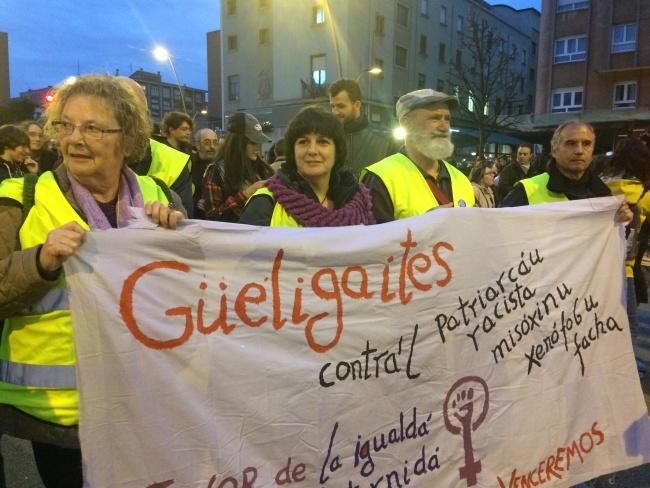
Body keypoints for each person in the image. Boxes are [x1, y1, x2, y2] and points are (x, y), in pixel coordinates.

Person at [0, 74, 185, 488]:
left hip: (146, 402)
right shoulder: (19, 199)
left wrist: (179, 240)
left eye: (93, 128)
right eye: (66, 125)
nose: (75, 139)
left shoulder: (161, 196)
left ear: (128, 138)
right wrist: (40, 261)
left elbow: (191, 295)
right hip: (62, 416)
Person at [240, 106, 374, 227]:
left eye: (323, 142)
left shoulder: (359, 201)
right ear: (292, 150)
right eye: (303, 142)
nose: (312, 151)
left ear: (337, 150)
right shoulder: (264, 204)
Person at [361, 88, 475, 223]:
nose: (444, 127)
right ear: (406, 123)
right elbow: (372, 240)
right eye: (435, 118)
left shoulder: (462, 180)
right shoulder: (380, 178)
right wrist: (421, 226)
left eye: (447, 119)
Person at [601, 137, 650, 364]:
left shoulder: (601, 185)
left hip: (597, 267)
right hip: (626, 269)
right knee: (629, 327)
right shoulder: (644, 192)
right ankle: (623, 377)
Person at [117, 77, 194, 218]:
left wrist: (173, 220)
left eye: (135, 114)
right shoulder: (79, 161)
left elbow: (185, 225)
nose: (126, 124)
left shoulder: (175, 162)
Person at [200, 112, 273, 222]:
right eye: (252, 143)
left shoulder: (264, 169)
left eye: (259, 143)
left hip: (262, 234)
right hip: (232, 236)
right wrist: (246, 194)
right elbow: (212, 216)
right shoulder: (217, 171)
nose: (257, 148)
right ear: (238, 143)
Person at [329, 79, 392, 176]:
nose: (335, 112)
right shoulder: (327, 139)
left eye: (340, 106)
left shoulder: (384, 141)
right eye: (332, 106)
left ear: (357, 105)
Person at [191, 128, 222, 217]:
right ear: (197, 145)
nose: (212, 146)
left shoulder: (223, 167)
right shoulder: (189, 166)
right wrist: (196, 202)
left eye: (215, 142)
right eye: (207, 142)